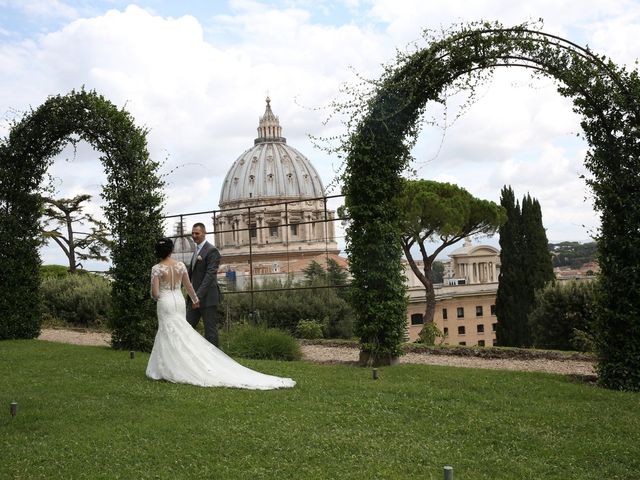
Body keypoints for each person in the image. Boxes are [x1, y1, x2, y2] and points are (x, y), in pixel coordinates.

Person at [146, 237, 295, 389]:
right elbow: (189, 286)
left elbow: (155, 293)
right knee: (181, 331)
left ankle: (170, 366)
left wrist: (158, 296)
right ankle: (178, 364)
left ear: (157, 252)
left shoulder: (157, 268)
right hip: (179, 301)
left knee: (168, 332)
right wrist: (195, 299)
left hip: (166, 302)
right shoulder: (180, 266)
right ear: (171, 250)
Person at [186, 223, 222, 346]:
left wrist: (197, 297)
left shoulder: (212, 251)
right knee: (187, 326)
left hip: (207, 298)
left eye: (197, 233)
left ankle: (214, 360)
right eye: (193, 233)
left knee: (210, 331)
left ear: (204, 233)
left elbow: (209, 276)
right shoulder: (196, 250)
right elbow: (190, 273)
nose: (194, 236)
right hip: (194, 298)